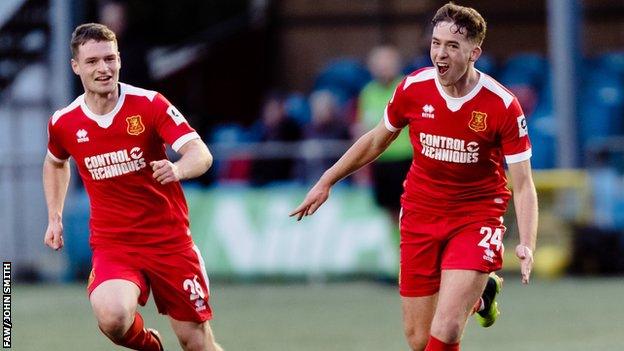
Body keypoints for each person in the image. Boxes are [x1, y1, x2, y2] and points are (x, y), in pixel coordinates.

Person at [290, 3, 538, 351]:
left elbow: (524, 184)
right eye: (436, 43)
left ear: (474, 52)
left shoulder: (502, 105)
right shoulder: (414, 88)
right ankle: (482, 296)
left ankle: (473, 294)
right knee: (419, 339)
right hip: (421, 213)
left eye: (453, 46)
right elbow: (377, 138)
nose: (441, 53)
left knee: (448, 327)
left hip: (476, 216)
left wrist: (526, 241)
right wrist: (327, 179)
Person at [43, 23, 223, 351]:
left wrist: (178, 168)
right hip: (115, 244)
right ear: (76, 66)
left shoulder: (149, 104)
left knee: (196, 343)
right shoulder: (64, 122)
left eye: (110, 59)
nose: (104, 68)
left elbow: (201, 153)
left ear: (120, 60)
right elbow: (55, 162)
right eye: (93, 61)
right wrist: (54, 217)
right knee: (111, 317)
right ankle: (149, 345)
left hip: (169, 240)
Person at [357, 45, 412, 248]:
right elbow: (363, 130)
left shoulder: (407, 87)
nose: (383, 68)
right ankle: (398, 263)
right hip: (381, 162)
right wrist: (360, 167)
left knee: (412, 213)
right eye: (378, 64)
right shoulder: (367, 93)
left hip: (408, 160)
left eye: (387, 63)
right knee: (390, 215)